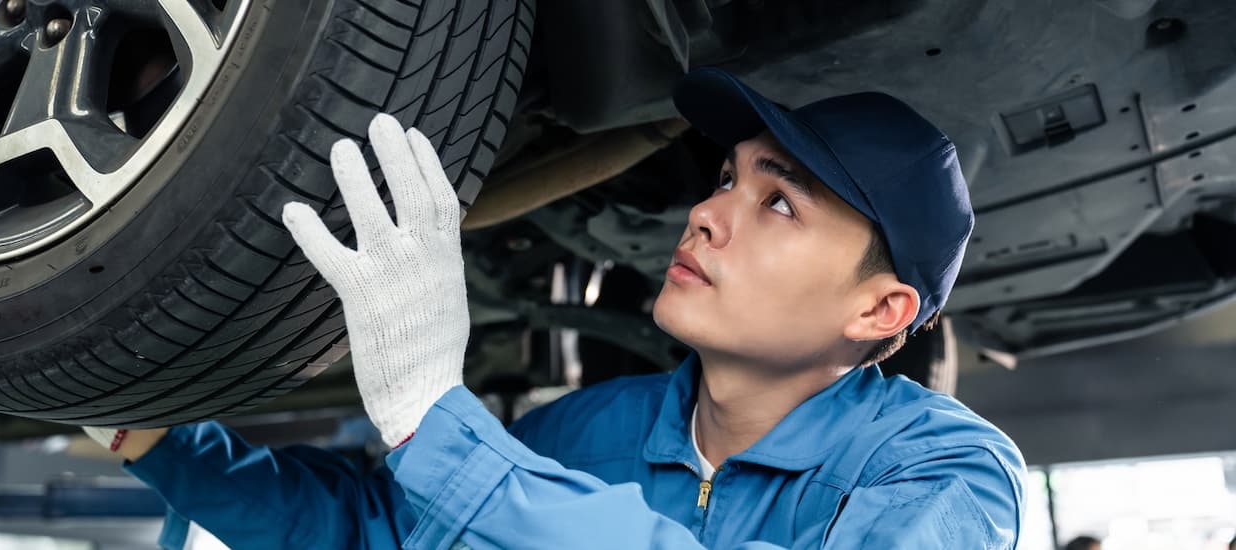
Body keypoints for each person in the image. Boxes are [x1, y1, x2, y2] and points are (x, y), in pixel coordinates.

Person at [85, 67, 1026, 548]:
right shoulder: (582, 434)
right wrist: (159, 441)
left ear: (878, 310)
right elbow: (378, 531)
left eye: (777, 203)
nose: (705, 213)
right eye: (727, 179)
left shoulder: (947, 470)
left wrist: (439, 426)